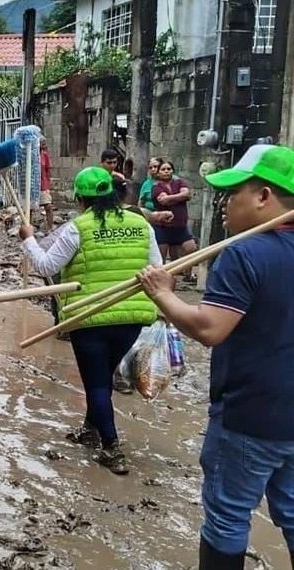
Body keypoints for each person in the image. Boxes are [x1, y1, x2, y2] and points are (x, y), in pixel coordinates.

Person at [137, 144, 294, 569]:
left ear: (264, 196)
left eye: (234, 193)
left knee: (228, 517)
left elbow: (209, 328)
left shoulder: (244, 253)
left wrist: (162, 293)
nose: (224, 204)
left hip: (249, 416)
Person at [19, 166, 162, 475]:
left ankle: (111, 448)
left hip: (90, 315)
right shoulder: (141, 225)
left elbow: (46, 267)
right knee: (103, 376)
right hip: (131, 317)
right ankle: (90, 430)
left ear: (80, 199)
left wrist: (29, 239)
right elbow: (157, 269)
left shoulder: (78, 228)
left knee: (96, 384)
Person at [152, 160, 198, 269]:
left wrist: (170, 198)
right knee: (161, 258)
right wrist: (180, 197)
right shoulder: (156, 187)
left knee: (191, 248)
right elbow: (163, 201)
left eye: (169, 169)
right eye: (163, 169)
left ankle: (187, 275)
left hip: (180, 226)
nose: (166, 171)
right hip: (163, 227)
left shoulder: (179, 182)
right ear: (158, 173)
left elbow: (186, 194)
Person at [39, 137, 55, 231]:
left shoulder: (44, 156)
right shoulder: (30, 155)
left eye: (44, 144)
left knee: (48, 206)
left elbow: (48, 170)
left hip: (43, 184)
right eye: (42, 144)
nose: (44, 146)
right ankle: (28, 230)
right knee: (29, 209)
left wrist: (48, 184)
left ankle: (50, 228)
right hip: (32, 186)